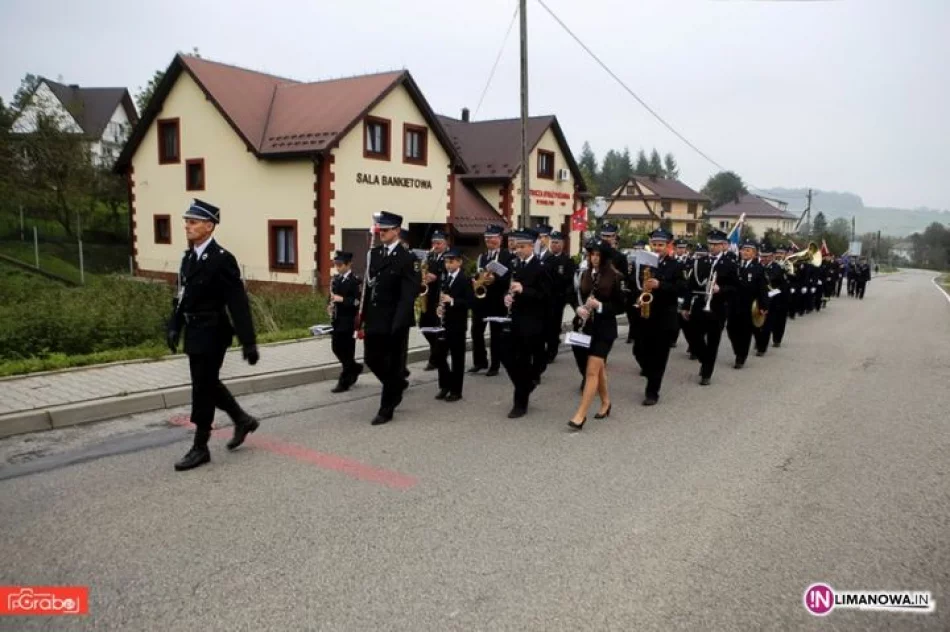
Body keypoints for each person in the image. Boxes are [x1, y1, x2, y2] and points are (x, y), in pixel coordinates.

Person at [166, 199, 260, 472]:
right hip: (194, 332)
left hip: (213, 332)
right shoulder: (188, 257)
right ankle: (242, 420)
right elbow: (181, 297)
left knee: (202, 387)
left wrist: (248, 341)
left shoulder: (222, 259)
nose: (187, 226)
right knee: (207, 383)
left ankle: (200, 446)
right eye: (187, 221)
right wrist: (174, 325)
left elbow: (237, 303)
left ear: (209, 226)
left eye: (193, 222)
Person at [363, 211, 418, 425]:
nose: (381, 233)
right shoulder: (374, 254)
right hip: (375, 317)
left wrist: (399, 322)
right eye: (379, 230)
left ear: (396, 231)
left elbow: (408, 294)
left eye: (385, 230)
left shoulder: (407, 258)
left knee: (394, 363)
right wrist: (363, 316)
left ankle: (386, 408)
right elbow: (368, 288)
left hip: (395, 319)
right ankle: (396, 386)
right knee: (372, 359)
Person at [567, 238, 624, 429]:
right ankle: (606, 402)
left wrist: (600, 306)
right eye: (592, 254)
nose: (594, 258)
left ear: (605, 257)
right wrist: (577, 309)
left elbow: (620, 306)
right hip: (585, 327)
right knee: (596, 370)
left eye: (598, 254)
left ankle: (580, 415)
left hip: (604, 329)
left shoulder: (615, 276)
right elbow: (572, 294)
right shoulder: (583, 273)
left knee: (592, 370)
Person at [633, 229, 687, 405]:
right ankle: (650, 373)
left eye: (660, 245)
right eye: (654, 244)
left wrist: (660, 284)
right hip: (644, 314)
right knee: (639, 350)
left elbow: (681, 288)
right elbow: (633, 283)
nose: (657, 248)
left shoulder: (676, 265)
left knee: (659, 355)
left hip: (664, 316)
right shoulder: (643, 263)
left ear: (668, 246)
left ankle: (652, 391)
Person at [502, 229, 551, 418]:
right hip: (514, 319)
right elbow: (507, 289)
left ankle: (520, 402)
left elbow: (546, 296)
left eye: (522, 247)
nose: (519, 250)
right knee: (508, 358)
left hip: (534, 321)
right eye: (517, 247)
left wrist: (525, 290)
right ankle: (525, 386)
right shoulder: (514, 265)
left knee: (528, 360)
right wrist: (506, 297)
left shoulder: (541, 267)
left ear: (532, 247)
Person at [685, 230, 739, 386]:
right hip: (700, 305)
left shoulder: (730, 264)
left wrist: (720, 289)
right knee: (694, 338)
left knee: (713, 341)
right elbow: (691, 286)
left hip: (718, 307)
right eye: (710, 244)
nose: (712, 247)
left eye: (716, 244)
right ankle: (705, 360)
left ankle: (707, 373)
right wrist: (686, 306)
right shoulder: (700, 262)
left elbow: (735, 287)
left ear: (723, 245)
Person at [470, 224, 515, 377]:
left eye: (493, 238)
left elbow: (510, 278)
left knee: (496, 333)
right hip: (482, 300)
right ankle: (480, 361)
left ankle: (495, 364)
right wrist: (476, 281)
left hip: (497, 300)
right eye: (487, 238)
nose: (489, 241)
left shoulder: (508, 256)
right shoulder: (482, 257)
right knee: (476, 331)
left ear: (500, 239)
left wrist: (495, 278)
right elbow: (477, 274)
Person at [432, 248, 474, 402]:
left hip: (457, 325)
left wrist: (453, 301)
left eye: (451, 262)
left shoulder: (465, 279)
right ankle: (445, 385)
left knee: (457, 358)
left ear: (459, 262)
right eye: (446, 262)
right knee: (438, 356)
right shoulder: (444, 278)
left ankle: (456, 390)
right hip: (444, 323)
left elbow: (470, 302)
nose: (448, 265)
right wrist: (439, 307)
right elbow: (440, 298)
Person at [727, 240, 769, 368]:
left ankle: (741, 356)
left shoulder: (758, 268)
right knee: (731, 329)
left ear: (754, 254)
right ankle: (737, 350)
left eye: (748, 250)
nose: (744, 252)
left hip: (749, 306)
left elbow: (763, 289)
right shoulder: (735, 266)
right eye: (743, 250)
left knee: (745, 332)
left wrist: (763, 306)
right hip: (734, 304)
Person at [328, 251, 363, 393]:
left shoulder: (356, 281)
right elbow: (331, 296)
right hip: (337, 319)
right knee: (336, 347)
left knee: (348, 351)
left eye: (340, 265)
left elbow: (358, 301)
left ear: (349, 264)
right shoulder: (335, 279)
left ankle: (344, 381)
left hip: (350, 321)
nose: (337, 267)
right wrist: (329, 306)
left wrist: (342, 300)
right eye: (336, 264)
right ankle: (354, 368)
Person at [542, 230, 575, 364]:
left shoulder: (567, 261)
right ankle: (544, 349)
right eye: (552, 242)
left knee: (554, 326)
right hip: (545, 298)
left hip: (558, 298)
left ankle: (552, 351)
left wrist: (565, 297)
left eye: (556, 242)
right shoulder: (546, 259)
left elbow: (569, 280)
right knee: (544, 325)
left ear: (562, 244)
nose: (554, 245)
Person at [420, 230, 448, 371]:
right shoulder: (429, 257)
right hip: (428, 296)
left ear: (445, 243)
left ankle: (435, 358)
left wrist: (435, 276)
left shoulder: (449, 257)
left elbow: (449, 273)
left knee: (437, 328)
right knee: (424, 325)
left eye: (438, 243)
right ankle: (435, 350)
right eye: (434, 243)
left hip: (440, 296)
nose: (435, 246)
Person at [768, 246, 791, 348]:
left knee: (780, 319)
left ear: (785, 254)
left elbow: (793, 277)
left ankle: (777, 339)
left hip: (783, 296)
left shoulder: (789, 265)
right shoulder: (771, 264)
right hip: (770, 294)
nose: (779, 255)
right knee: (767, 318)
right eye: (777, 253)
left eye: (781, 253)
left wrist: (785, 270)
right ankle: (762, 339)